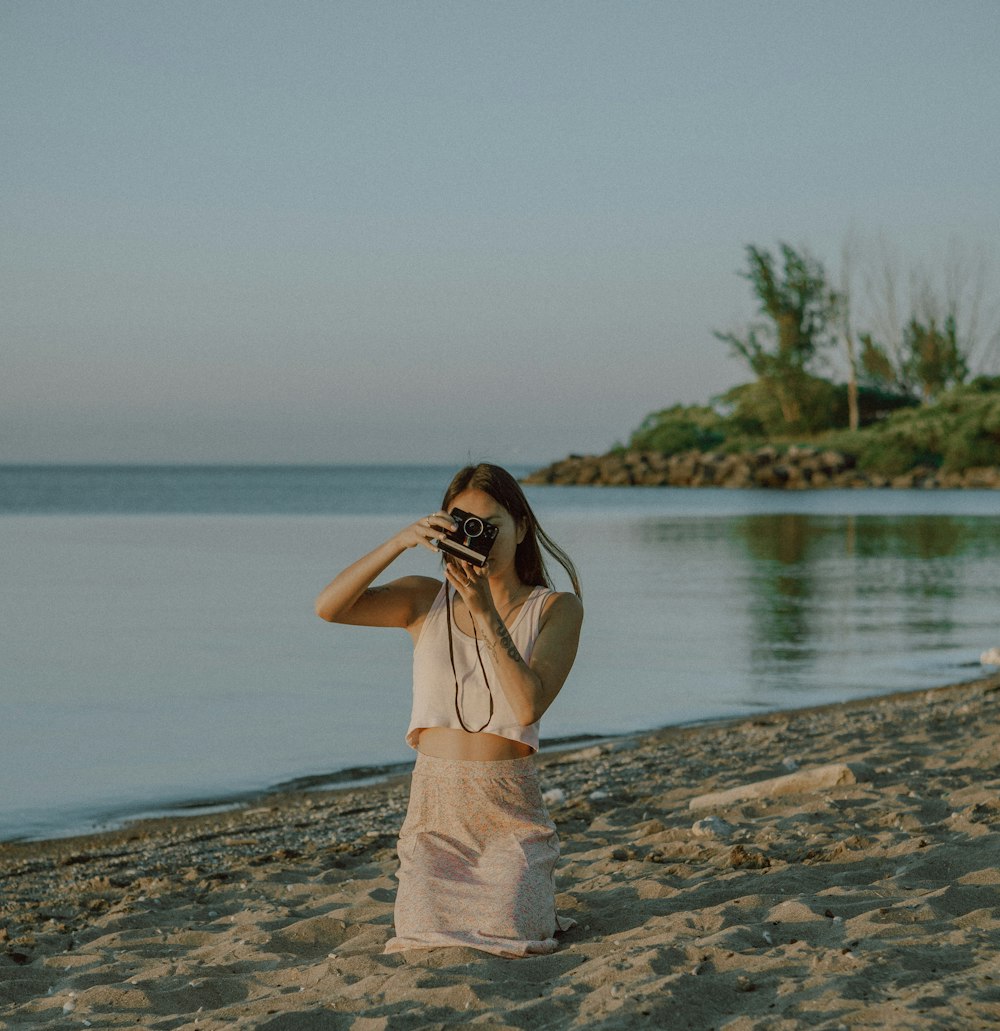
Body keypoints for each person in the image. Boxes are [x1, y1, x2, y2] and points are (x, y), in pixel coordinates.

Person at [314, 463, 584, 957]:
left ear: (522, 528)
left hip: (509, 817)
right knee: (421, 933)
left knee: (512, 931)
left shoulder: (555, 609)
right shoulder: (423, 600)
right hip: (435, 819)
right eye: (463, 523)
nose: (477, 537)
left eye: (491, 525)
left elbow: (526, 703)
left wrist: (484, 609)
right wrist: (399, 541)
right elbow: (329, 608)